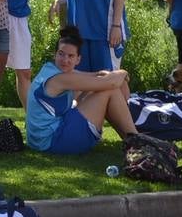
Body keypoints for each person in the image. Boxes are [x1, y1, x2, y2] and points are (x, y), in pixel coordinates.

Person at [25, 26, 141, 154]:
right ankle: (137, 142)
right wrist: (123, 73)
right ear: (55, 54)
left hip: (41, 140)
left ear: (78, 59)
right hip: (52, 141)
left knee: (99, 88)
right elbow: (112, 83)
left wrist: (111, 75)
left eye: (70, 56)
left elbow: (96, 76)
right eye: (61, 54)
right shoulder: (61, 78)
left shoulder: (51, 69)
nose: (65, 60)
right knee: (109, 90)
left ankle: (131, 140)